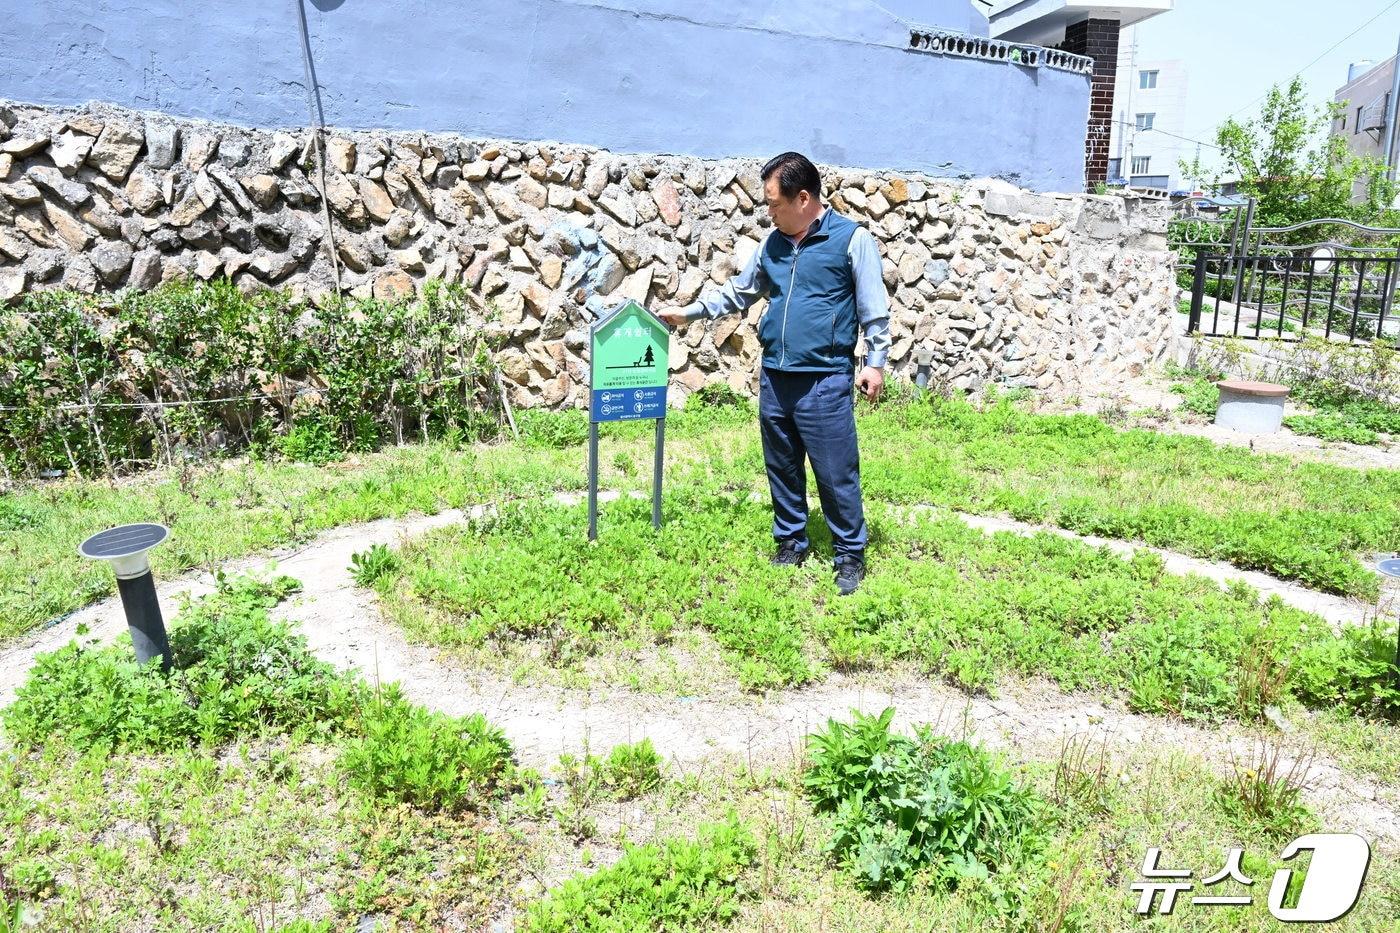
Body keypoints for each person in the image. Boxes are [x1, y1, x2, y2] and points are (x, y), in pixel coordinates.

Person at [658, 151, 890, 596]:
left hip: (823, 378)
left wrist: (874, 362)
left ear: (803, 199)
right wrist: (690, 313)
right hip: (776, 375)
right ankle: (791, 541)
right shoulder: (773, 245)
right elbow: (739, 292)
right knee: (781, 467)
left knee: (835, 471)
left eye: (774, 204)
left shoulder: (851, 241)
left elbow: (874, 311)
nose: (769, 213)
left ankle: (849, 555)